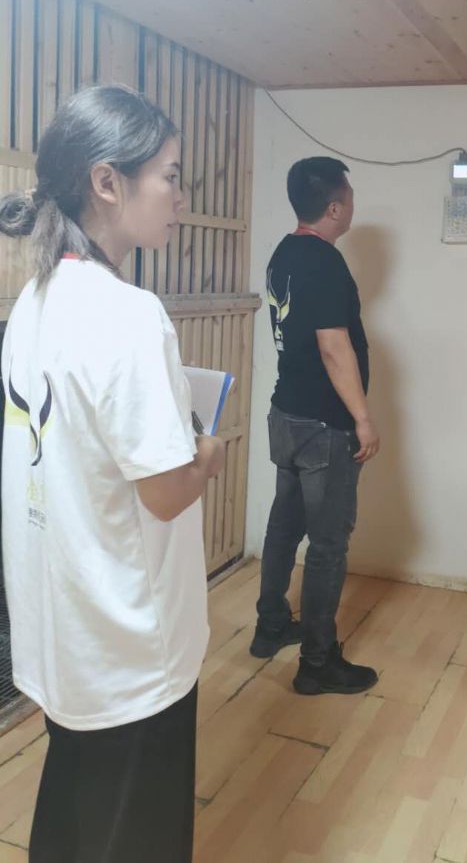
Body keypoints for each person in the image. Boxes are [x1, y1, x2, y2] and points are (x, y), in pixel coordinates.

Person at [0, 85, 225, 863]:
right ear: (107, 181)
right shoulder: (128, 314)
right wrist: (207, 454)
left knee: (74, 811)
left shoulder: (34, 302)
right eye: (170, 175)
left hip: (61, 628)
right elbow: (163, 493)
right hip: (130, 643)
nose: (180, 197)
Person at [252, 156, 380, 695]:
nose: (352, 204)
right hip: (324, 425)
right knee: (328, 544)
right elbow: (332, 346)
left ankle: (270, 626)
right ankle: (317, 663)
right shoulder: (325, 262)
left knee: (284, 526)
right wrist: (362, 418)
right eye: (348, 197)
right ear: (334, 208)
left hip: (286, 414)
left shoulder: (284, 252)